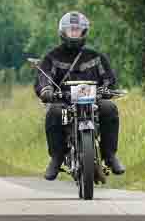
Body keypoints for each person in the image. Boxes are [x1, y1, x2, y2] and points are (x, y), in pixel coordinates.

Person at [34, 11, 125, 180]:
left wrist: (106, 90)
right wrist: (46, 90)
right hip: (64, 102)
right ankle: (56, 158)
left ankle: (110, 156)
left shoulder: (96, 57)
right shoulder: (52, 57)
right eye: (71, 30)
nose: (74, 33)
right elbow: (44, 77)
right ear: (63, 32)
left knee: (110, 108)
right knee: (53, 112)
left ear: (84, 32)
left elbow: (109, 79)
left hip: (93, 101)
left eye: (77, 30)